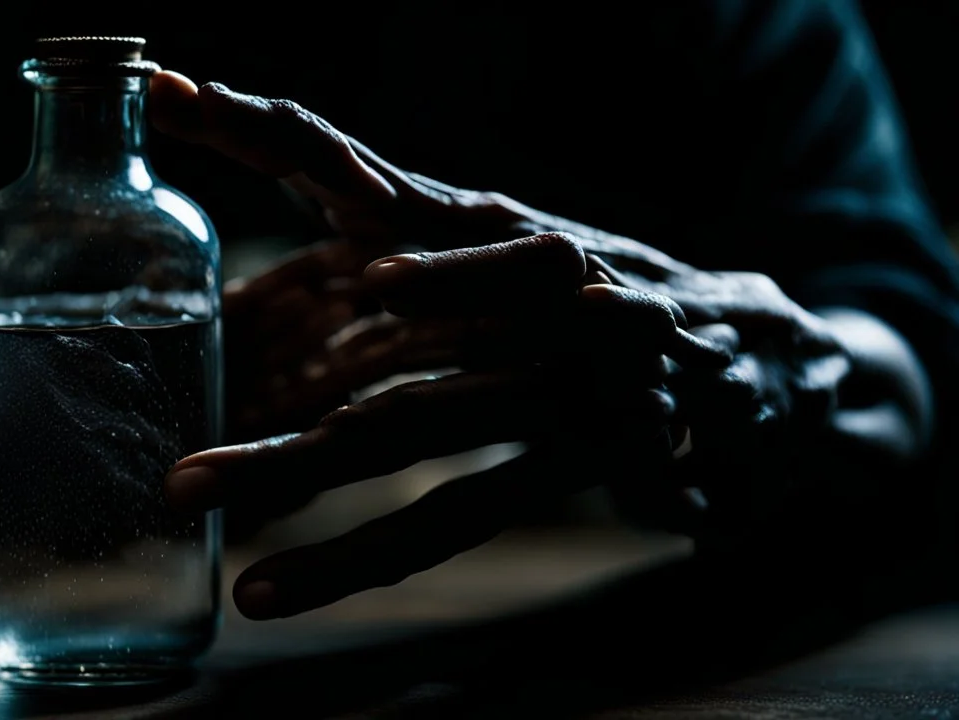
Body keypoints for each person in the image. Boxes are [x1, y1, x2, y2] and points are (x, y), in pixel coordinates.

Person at [131, 2, 959, 622]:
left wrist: (767, 365)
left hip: (729, 614)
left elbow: (908, 330)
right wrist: (139, 418)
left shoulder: (744, 21)